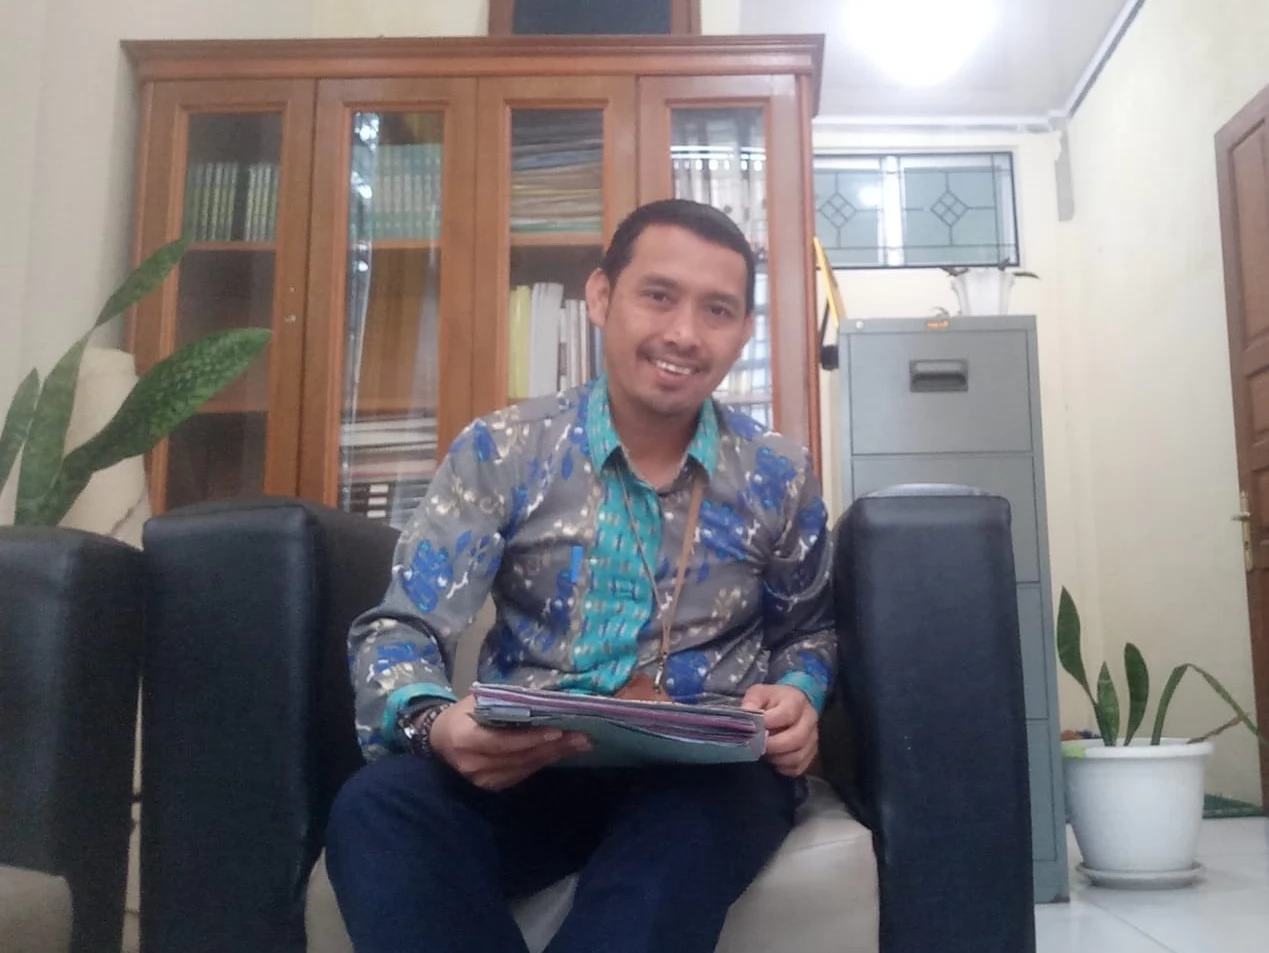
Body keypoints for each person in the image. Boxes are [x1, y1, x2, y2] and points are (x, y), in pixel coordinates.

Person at [325, 199, 837, 953]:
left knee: (661, 869)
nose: (684, 333)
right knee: (378, 806)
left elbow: (809, 630)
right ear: (601, 297)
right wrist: (434, 721)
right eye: (658, 295)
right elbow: (401, 626)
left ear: (743, 332)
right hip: (529, 765)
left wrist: (799, 691)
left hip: (707, 778)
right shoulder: (503, 451)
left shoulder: (778, 474)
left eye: (717, 310)